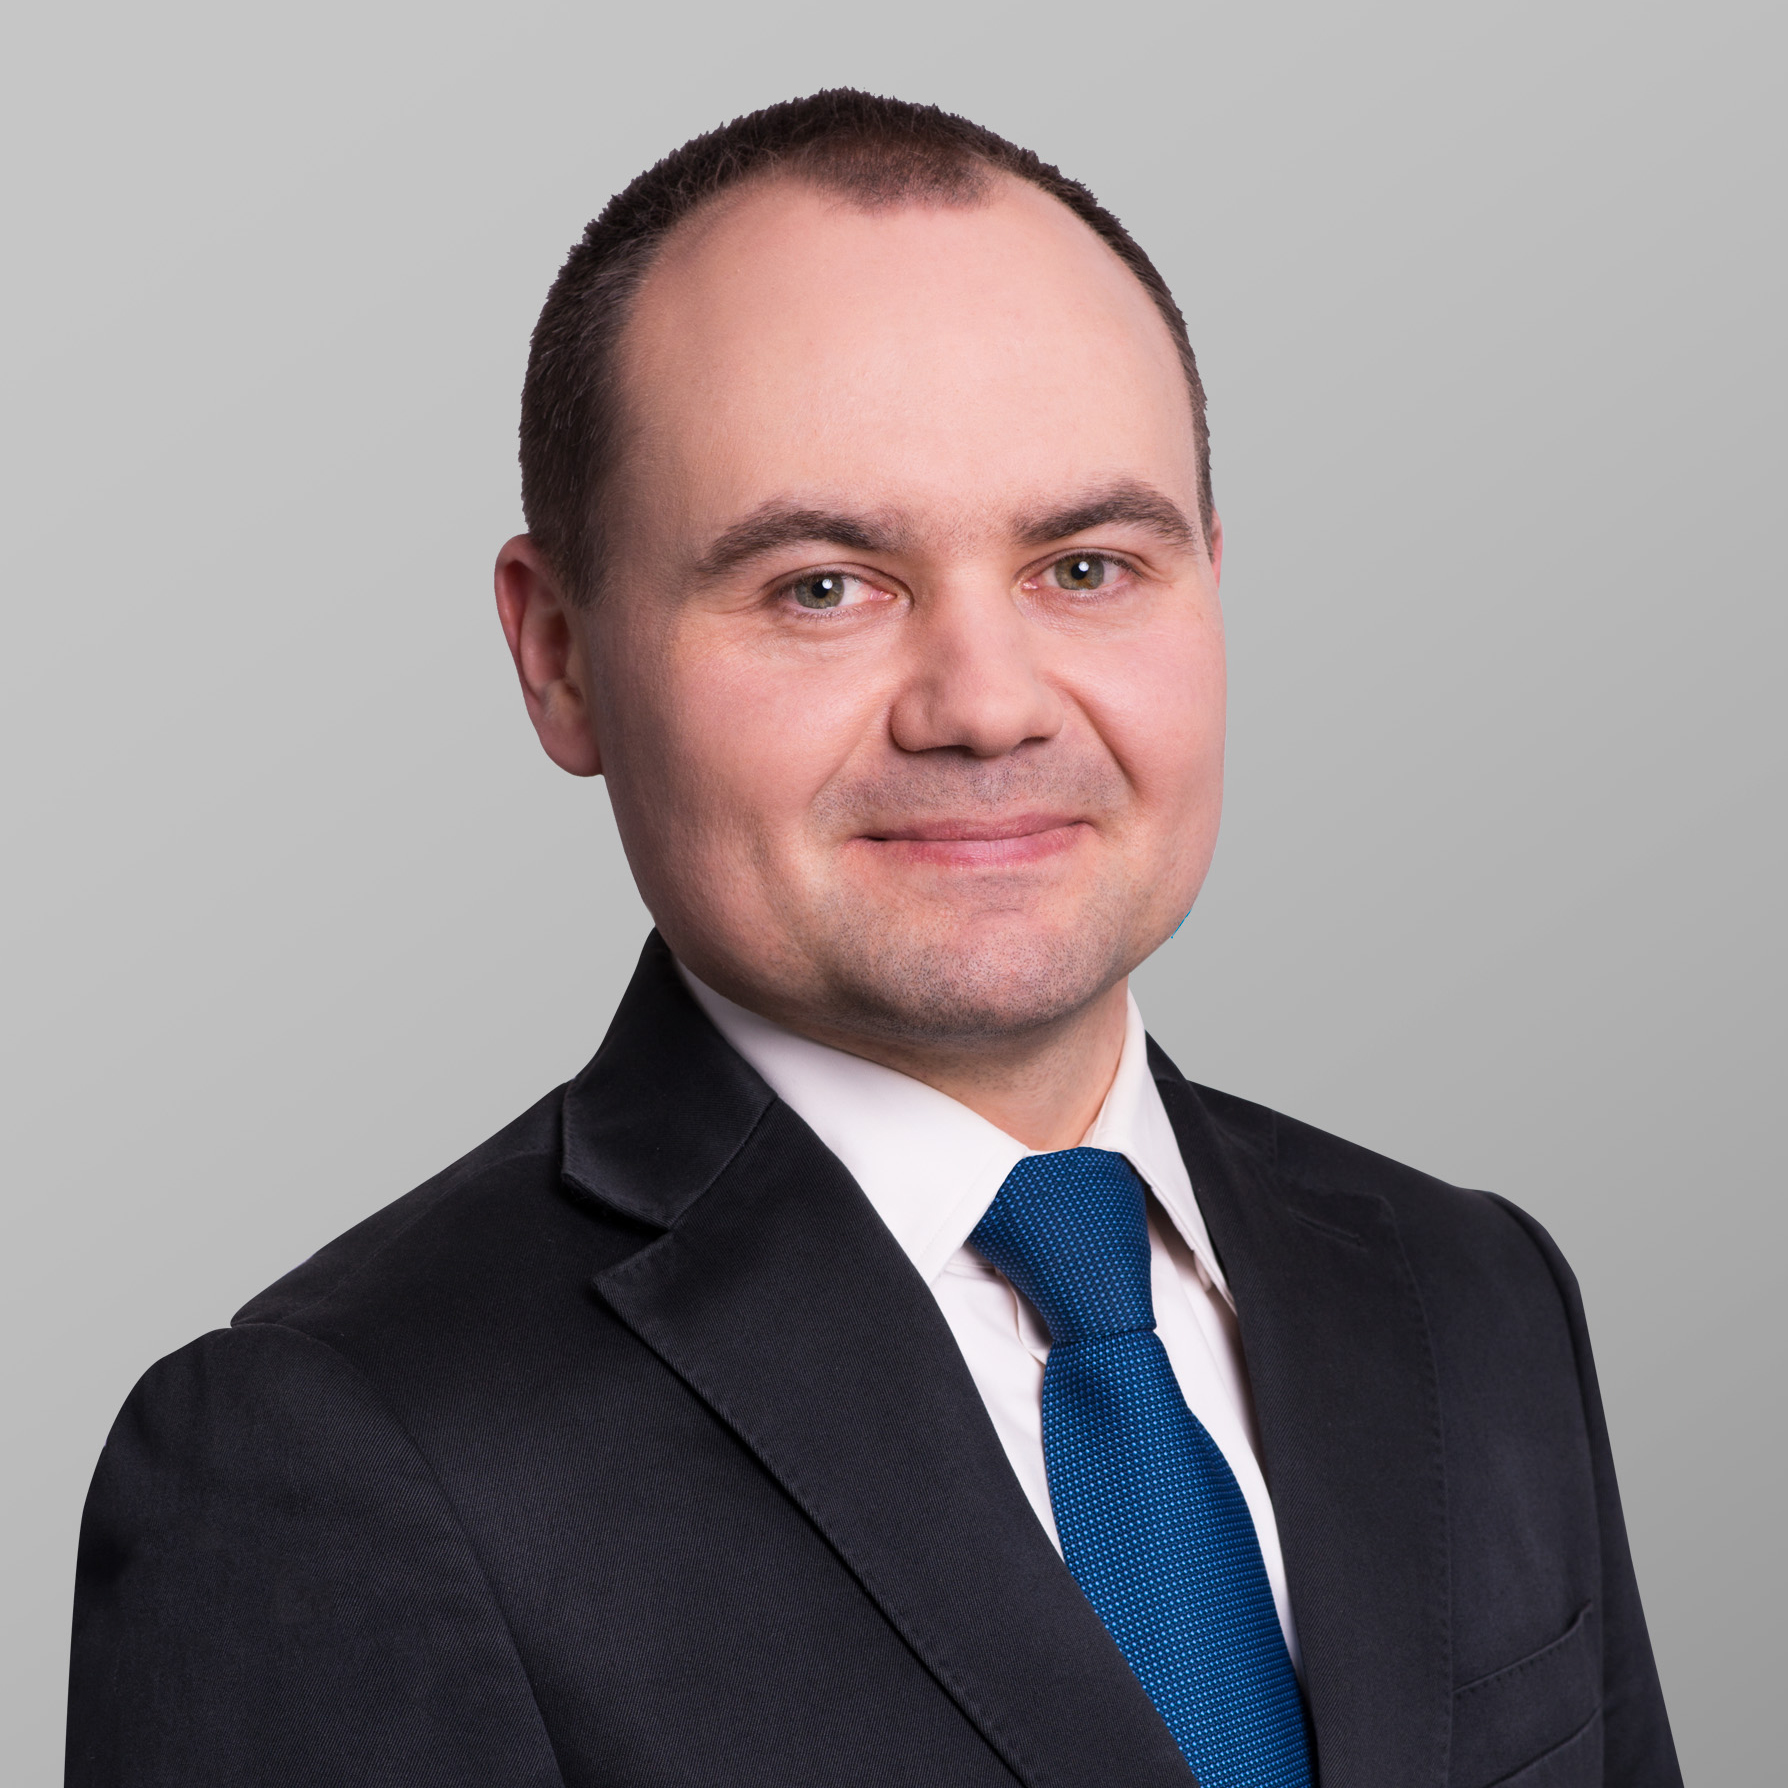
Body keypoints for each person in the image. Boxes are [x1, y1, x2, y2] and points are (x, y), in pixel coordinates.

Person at [65, 90, 1679, 1788]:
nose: (986, 706)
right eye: (823, 586)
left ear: (1213, 582)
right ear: (559, 658)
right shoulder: (336, 1458)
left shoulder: (1471, 1292)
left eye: (1086, 566)